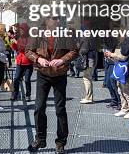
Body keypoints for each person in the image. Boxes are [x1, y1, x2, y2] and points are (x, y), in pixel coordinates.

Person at [26, 16, 79, 154]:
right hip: (43, 74)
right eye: (52, 18)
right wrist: (38, 59)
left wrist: (62, 60)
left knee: (60, 109)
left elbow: (74, 51)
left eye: (57, 18)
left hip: (59, 74)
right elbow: (28, 51)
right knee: (38, 107)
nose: (55, 20)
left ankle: (60, 143)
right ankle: (40, 139)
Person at [106, 36, 129, 119]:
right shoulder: (119, 44)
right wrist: (110, 56)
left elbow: (123, 57)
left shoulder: (127, 44)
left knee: (126, 91)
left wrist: (111, 54)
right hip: (119, 69)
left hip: (125, 70)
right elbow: (118, 58)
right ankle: (124, 108)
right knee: (120, 90)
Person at [10, 23, 34, 101]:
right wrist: (13, 43)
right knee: (16, 78)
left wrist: (17, 43)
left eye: (22, 29)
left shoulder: (30, 38)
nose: (21, 31)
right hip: (20, 62)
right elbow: (16, 49)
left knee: (27, 79)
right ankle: (15, 94)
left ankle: (28, 95)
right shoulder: (19, 38)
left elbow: (26, 49)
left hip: (28, 62)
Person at [79, 25, 98, 104]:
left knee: (87, 78)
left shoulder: (86, 39)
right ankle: (88, 97)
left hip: (88, 61)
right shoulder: (92, 38)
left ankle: (89, 97)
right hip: (92, 60)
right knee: (88, 78)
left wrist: (79, 49)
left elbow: (84, 50)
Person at [103, 34, 121, 110]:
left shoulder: (112, 37)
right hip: (108, 62)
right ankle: (114, 100)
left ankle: (120, 102)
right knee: (108, 83)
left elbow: (112, 45)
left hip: (113, 62)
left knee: (113, 84)